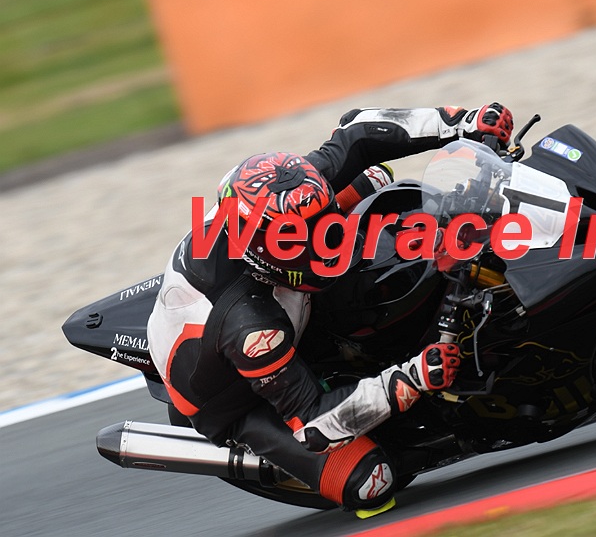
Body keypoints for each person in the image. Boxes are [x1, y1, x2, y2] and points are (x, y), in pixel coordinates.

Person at [147, 104, 514, 516]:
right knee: (372, 482)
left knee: (372, 181)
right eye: (303, 240)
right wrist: (410, 378)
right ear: (268, 249)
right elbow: (314, 420)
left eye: (323, 223)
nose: (326, 241)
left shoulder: (286, 197)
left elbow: (358, 133)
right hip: (239, 400)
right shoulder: (251, 329)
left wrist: (461, 123)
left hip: (272, 301)